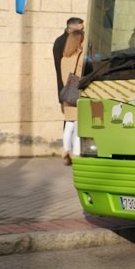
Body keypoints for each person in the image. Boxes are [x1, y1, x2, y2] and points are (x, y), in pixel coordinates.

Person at [57, 28, 87, 165]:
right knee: (78, 124)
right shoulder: (80, 57)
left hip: (67, 92)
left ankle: (66, 151)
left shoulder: (64, 58)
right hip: (76, 93)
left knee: (69, 123)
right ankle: (76, 153)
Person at [52, 17, 83, 96]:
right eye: (79, 30)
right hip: (69, 90)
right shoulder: (62, 43)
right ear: (69, 30)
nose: (82, 32)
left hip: (68, 90)